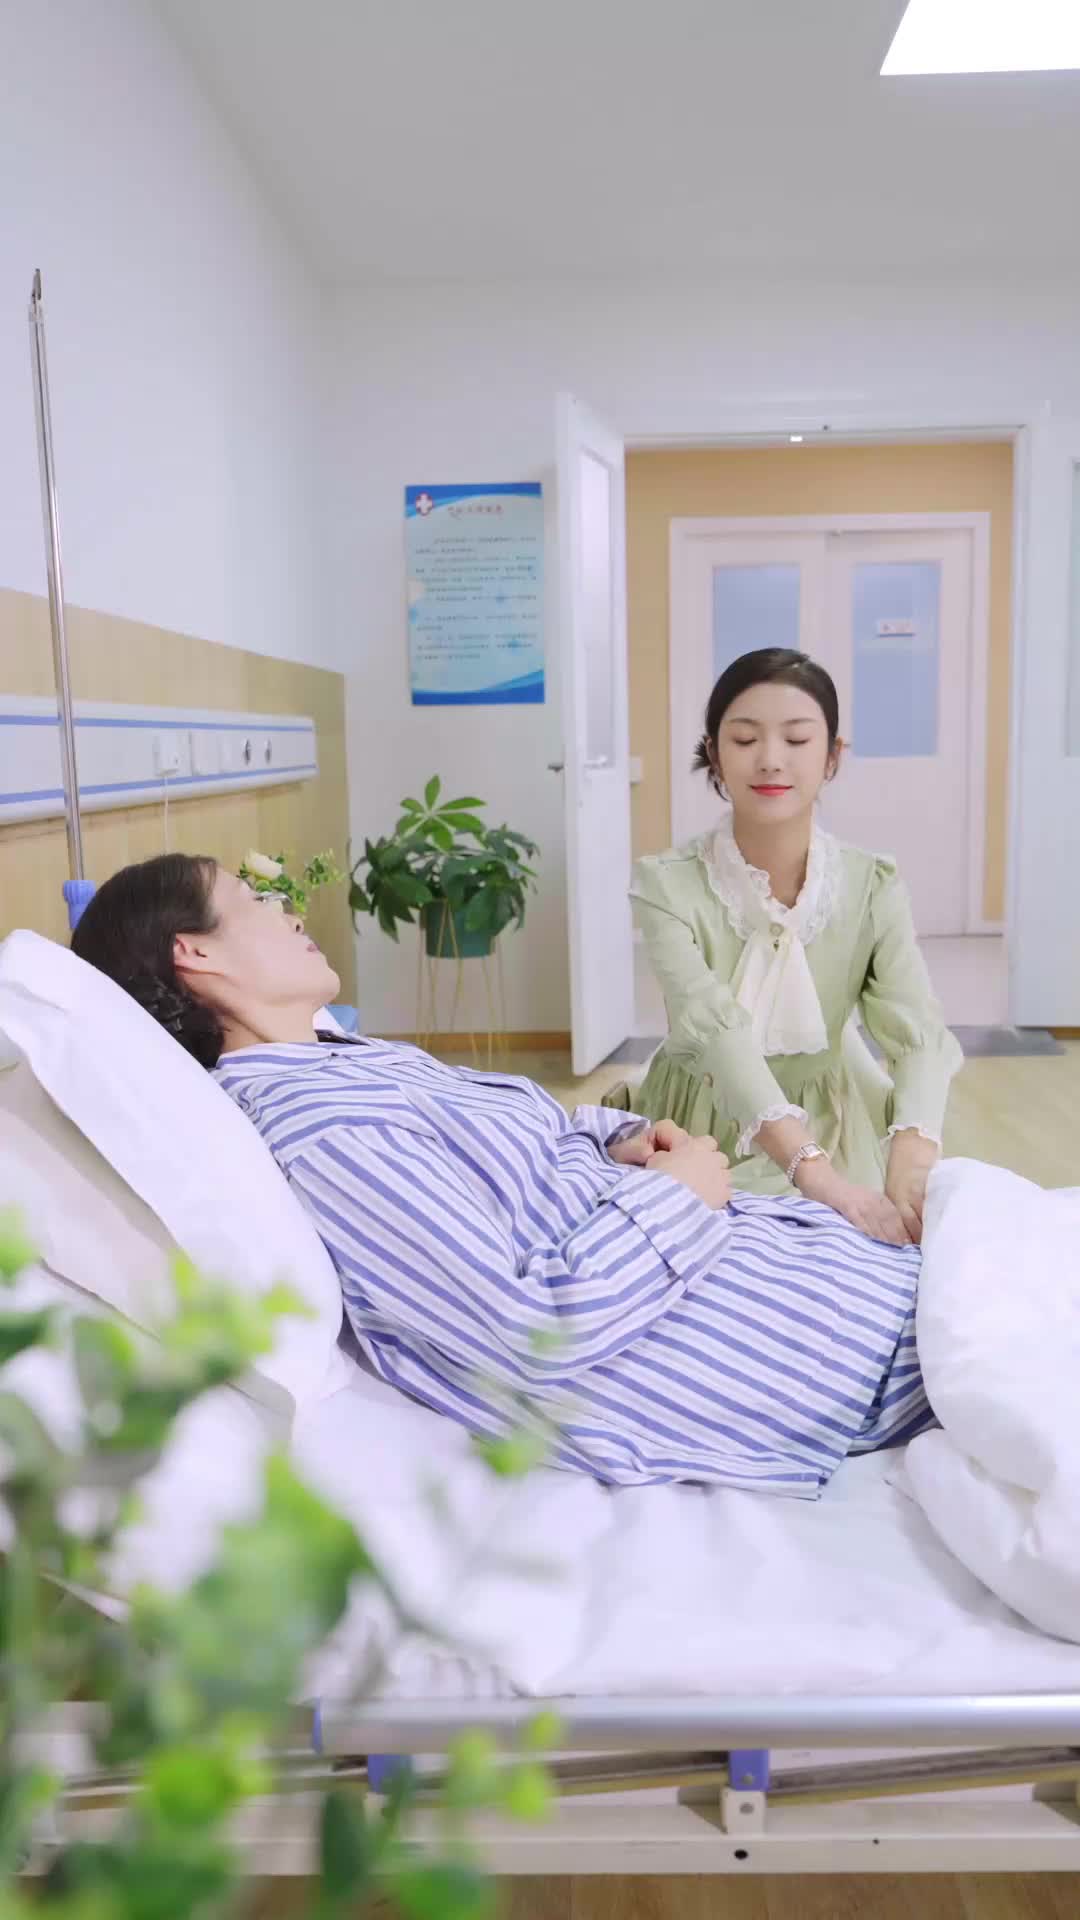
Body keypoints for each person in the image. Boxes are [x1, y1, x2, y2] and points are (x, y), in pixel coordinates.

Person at [71, 852, 933, 1496]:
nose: (287, 910)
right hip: (812, 1346)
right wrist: (676, 1201)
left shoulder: (343, 1058)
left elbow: (530, 1132)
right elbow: (528, 1331)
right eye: (253, 900)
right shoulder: (325, 1134)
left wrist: (624, 1142)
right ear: (196, 954)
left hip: (812, 1274)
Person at [622, 648, 962, 1248]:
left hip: (837, 1120)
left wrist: (911, 1156)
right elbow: (715, 1033)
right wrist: (817, 1176)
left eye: (798, 739)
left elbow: (916, 1031)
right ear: (714, 754)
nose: (771, 759)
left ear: (833, 756)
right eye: (745, 738)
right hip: (704, 1125)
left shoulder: (872, 884)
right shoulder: (665, 884)